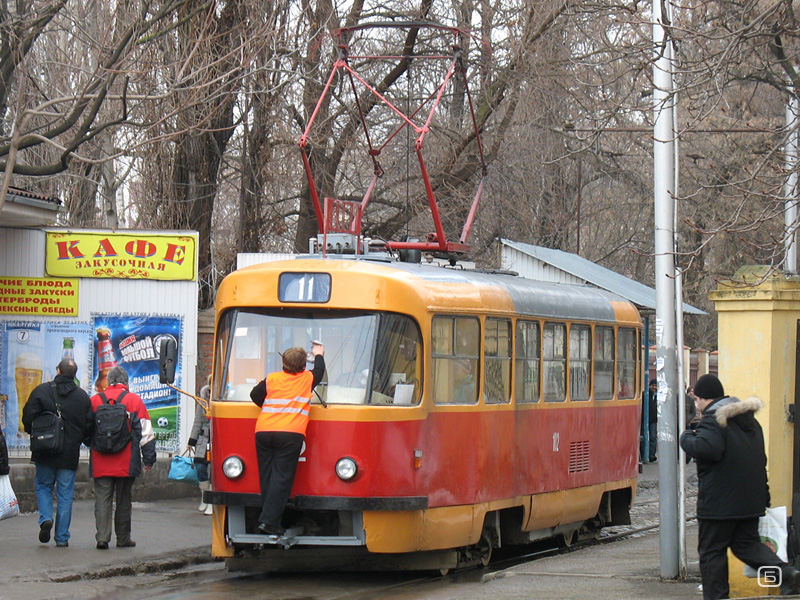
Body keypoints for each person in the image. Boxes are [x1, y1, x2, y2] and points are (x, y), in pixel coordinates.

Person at [680, 374, 800, 599]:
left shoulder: (714, 420)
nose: (696, 404)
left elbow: (708, 449)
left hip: (719, 504)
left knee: (712, 553)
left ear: (704, 399)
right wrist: (763, 497)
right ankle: (786, 573)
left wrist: (686, 437)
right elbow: (760, 459)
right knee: (746, 545)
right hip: (750, 501)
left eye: (697, 400)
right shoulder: (749, 422)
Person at [249, 342, 325, 537]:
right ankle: (269, 522)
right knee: (281, 478)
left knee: (267, 476)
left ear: (283, 363)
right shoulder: (307, 379)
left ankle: (266, 519)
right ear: (303, 365)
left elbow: (254, 395)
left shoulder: (272, 378)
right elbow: (320, 370)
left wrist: (271, 408)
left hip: (264, 430)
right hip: (290, 433)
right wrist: (318, 353)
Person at [21, 358, 93, 547]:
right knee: (65, 494)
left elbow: (27, 417)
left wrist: (36, 434)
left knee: (43, 486)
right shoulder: (82, 397)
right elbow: (89, 426)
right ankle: (62, 537)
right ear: (74, 374)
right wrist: (76, 440)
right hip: (69, 455)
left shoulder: (41, 391)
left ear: (58, 371)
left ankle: (46, 518)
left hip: (44, 450)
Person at [88, 365, 156, 549]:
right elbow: (146, 433)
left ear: (109, 381)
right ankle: (123, 538)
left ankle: (102, 538)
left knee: (102, 499)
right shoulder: (134, 400)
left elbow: (87, 430)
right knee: (124, 499)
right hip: (126, 460)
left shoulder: (95, 400)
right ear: (126, 382)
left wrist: (93, 444)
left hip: (100, 460)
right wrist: (148, 459)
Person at [187, 375, 212, 515]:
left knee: (213, 470)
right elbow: (197, 422)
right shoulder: (202, 402)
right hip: (203, 439)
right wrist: (192, 441)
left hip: (216, 440)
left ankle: (211, 500)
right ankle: (204, 497)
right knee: (200, 467)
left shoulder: (222, 400)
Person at [641, 379, 658, 462]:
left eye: (656, 386)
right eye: (653, 385)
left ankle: (652, 454)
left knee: (653, 437)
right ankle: (644, 453)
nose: (654, 387)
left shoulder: (659, 395)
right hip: (644, 419)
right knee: (643, 436)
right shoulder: (646, 394)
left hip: (654, 419)